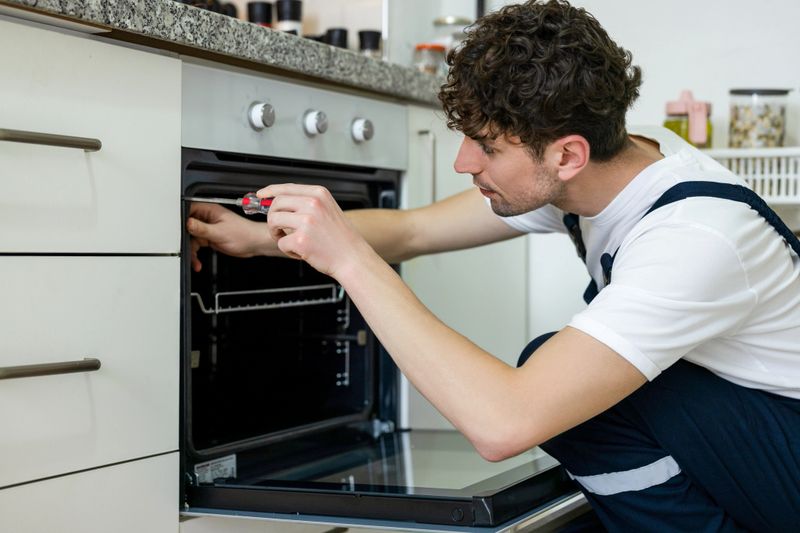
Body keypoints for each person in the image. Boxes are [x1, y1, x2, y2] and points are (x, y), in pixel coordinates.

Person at [187, 0, 800, 530]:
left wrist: (350, 263)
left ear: (567, 155)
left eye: (486, 144)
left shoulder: (693, 237)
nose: (462, 161)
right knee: (571, 378)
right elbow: (413, 229)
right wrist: (259, 237)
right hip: (747, 432)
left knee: (556, 383)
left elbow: (504, 423)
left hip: (788, 450)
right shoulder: (604, 166)